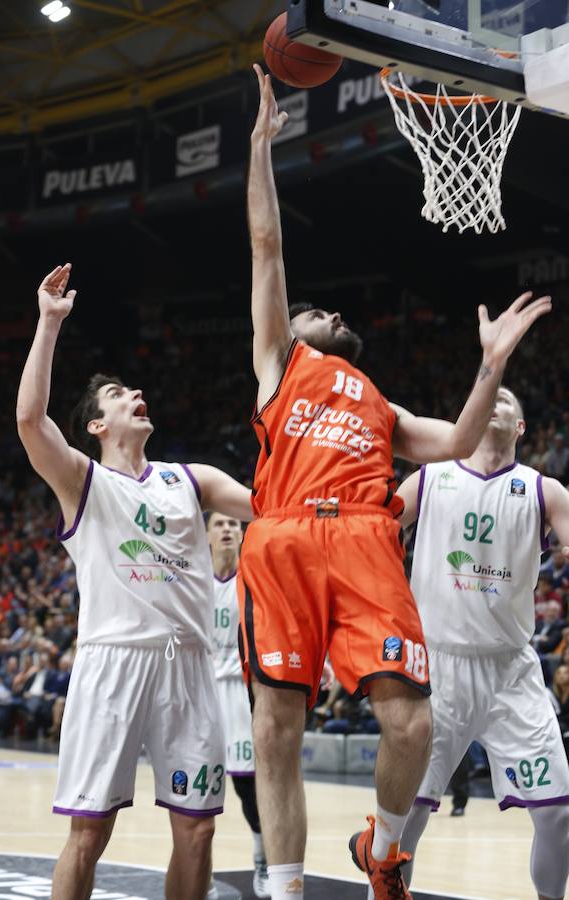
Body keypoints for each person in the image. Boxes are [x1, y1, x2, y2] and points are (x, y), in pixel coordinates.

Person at [241, 64, 552, 900]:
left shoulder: (380, 402)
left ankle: (382, 846)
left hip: (365, 540)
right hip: (286, 537)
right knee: (277, 728)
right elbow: (267, 246)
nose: (332, 316)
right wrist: (261, 152)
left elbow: (453, 441)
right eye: (320, 312)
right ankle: (286, 889)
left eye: (333, 316)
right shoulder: (283, 361)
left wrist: (489, 369)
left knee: (412, 724)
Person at [16, 263, 253, 900]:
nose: (133, 393)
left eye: (132, 390)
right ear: (97, 426)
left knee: (198, 832)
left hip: (189, 666)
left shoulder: (191, 479)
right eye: (118, 394)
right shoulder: (82, 482)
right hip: (113, 663)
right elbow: (31, 423)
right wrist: (47, 322)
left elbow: (269, 507)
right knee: (89, 833)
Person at [398, 386, 569, 900]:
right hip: (437, 668)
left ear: (520, 427)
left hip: (510, 669)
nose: (494, 400)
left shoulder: (545, 491)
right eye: (486, 396)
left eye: (507, 400)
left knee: (559, 812)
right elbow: (366, 530)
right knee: (404, 818)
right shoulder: (429, 478)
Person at [207, 512, 270, 899]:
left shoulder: (255, 577)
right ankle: (200, 872)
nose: (228, 528)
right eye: (219, 524)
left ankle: (262, 861)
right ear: (206, 534)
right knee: (198, 791)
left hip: (243, 692)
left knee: (248, 787)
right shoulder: (193, 580)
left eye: (234, 523)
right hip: (202, 692)